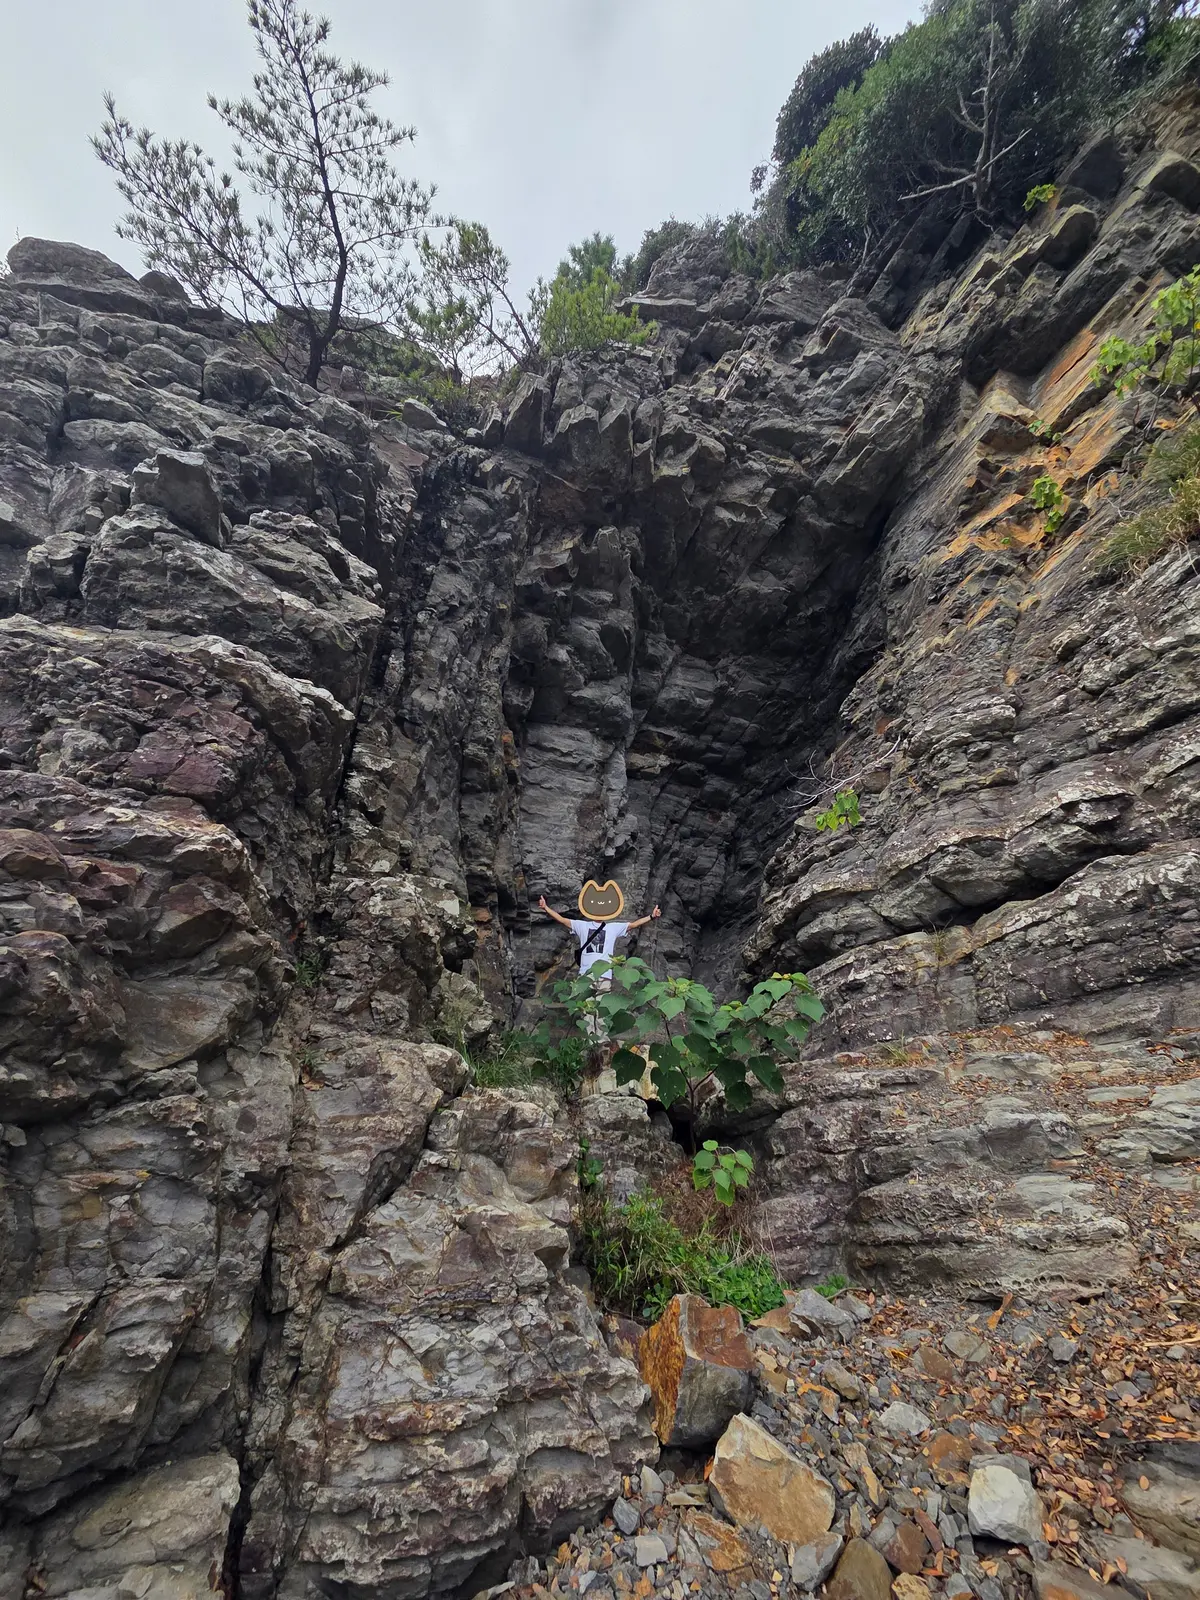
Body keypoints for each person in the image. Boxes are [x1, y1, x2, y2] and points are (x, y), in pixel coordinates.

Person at [537, 895, 661, 985]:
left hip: (604, 975)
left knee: (600, 1010)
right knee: (585, 1009)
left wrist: (651, 916)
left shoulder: (613, 928)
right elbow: (562, 920)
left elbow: (633, 925)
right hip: (585, 974)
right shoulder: (582, 926)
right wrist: (546, 908)